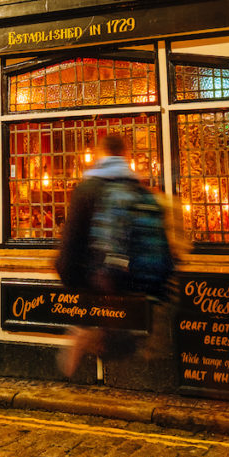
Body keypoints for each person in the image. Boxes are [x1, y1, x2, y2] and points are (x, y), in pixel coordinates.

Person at [55, 133, 174, 378]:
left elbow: (69, 249)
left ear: (100, 153)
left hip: (101, 285)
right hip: (139, 289)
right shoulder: (141, 190)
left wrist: (72, 284)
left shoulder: (87, 189)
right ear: (126, 155)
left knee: (104, 333)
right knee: (128, 346)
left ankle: (90, 339)